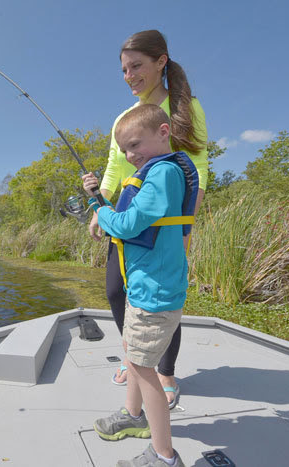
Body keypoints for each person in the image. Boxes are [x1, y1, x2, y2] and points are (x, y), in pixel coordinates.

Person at [88, 30, 208, 407]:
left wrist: (185, 228)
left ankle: (165, 372)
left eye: (136, 65)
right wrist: (101, 206)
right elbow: (113, 167)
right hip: (126, 213)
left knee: (161, 301)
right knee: (116, 291)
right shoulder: (123, 118)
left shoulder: (187, 108)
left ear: (161, 61)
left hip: (168, 221)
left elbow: (199, 170)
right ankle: (135, 359)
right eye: (124, 70)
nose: (129, 76)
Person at [84, 104, 196, 467]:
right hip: (144, 289)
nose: (131, 155)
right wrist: (96, 197)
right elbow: (130, 217)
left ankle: (164, 456)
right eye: (126, 150)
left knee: (146, 370)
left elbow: (130, 223)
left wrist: (100, 212)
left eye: (136, 145)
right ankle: (132, 416)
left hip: (156, 293)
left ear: (163, 132)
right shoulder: (153, 172)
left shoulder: (162, 173)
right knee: (133, 353)